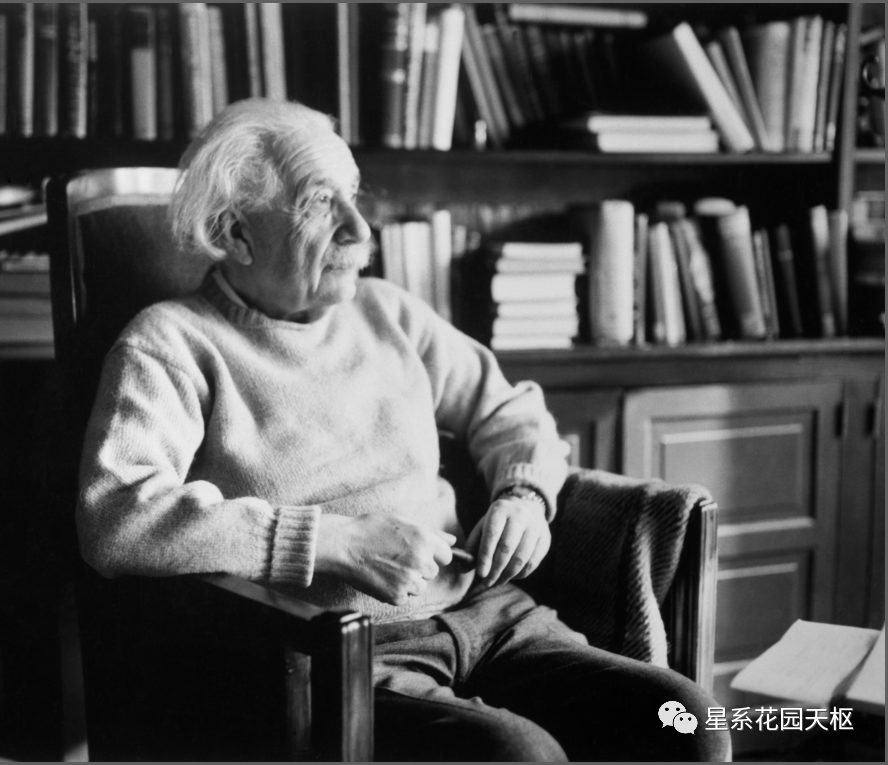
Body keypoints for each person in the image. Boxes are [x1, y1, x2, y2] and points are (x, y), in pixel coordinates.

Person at [76, 98, 731, 762]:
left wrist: (526, 495)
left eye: (353, 195)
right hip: (341, 651)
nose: (360, 227)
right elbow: (117, 519)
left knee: (688, 723)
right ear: (235, 232)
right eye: (319, 204)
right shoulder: (170, 343)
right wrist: (331, 542)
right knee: (518, 755)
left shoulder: (389, 313)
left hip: (492, 613)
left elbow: (510, 412)